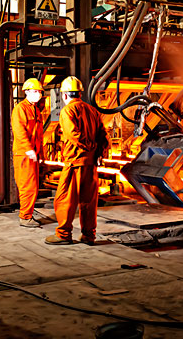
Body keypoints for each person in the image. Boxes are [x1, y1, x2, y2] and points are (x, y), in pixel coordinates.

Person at [45, 76, 109, 245]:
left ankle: (63, 234)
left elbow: (74, 135)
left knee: (64, 199)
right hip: (91, 164)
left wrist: (90, 148)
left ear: (65, 95)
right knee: (89, 201)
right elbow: (104, 135)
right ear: (80, 93)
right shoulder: (93, 111)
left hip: (75, 163)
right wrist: (99, 152)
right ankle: (89, 235)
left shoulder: (67, 111)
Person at [12, 78, 44, 227]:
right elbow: (19, 132)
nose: (38, 94)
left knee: (33, 187)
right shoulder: (20, 109)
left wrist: (40, 153)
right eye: (35, 91)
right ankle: (25, 217)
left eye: (39, 92)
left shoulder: (36, 110)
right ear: (26, 92)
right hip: (24, 155)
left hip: (33, 154)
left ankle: (27, 214)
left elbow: (39, 135)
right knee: (27, 187)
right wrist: (28, 149)